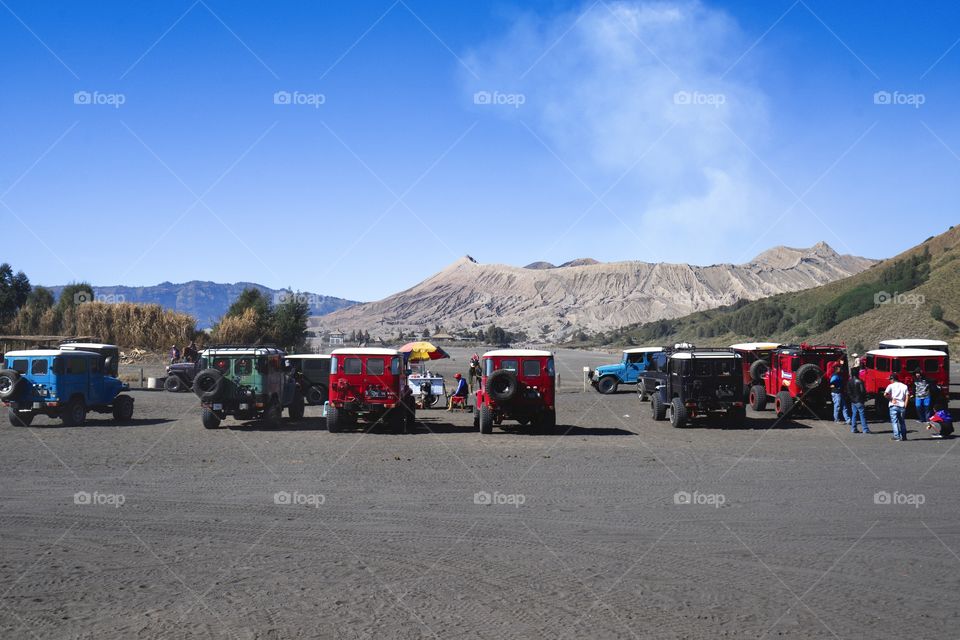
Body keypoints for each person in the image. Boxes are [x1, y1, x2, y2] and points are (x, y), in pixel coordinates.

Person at [884, 373, 910, 441]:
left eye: (890, 379)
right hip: (902, 405)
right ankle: (904, 436)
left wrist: (891, 399)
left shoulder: (890, 386)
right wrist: (905, 405)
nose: (890, 381)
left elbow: (885, 394)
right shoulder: (904, 386)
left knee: (894, 422)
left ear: (893, 379)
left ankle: (897, 436)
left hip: (893, 405)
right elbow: (907, 396)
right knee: (902, 421)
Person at [846, 367, 870, 434]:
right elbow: (863, 391)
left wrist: (851, 398)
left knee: (854, 414)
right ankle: (865, 429)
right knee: (862, 414)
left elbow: (848, 392)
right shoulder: (860, 381)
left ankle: (853, 428)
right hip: (859, 399)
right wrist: (864, 398)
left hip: (853, 400)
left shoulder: (849, 382)